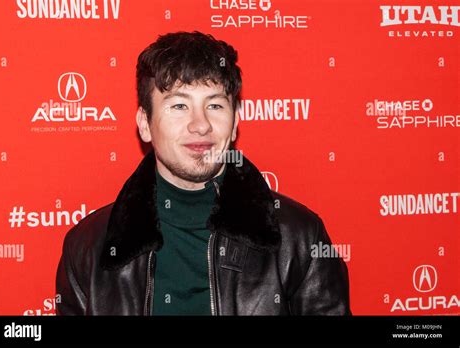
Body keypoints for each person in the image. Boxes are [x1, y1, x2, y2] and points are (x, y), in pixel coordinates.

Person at [56, 31, 351, 315]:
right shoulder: (87, 248)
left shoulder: (299, 238)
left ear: (235, 121)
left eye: (214, 105)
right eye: (180, 105)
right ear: (145, 123)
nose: (201, 124)